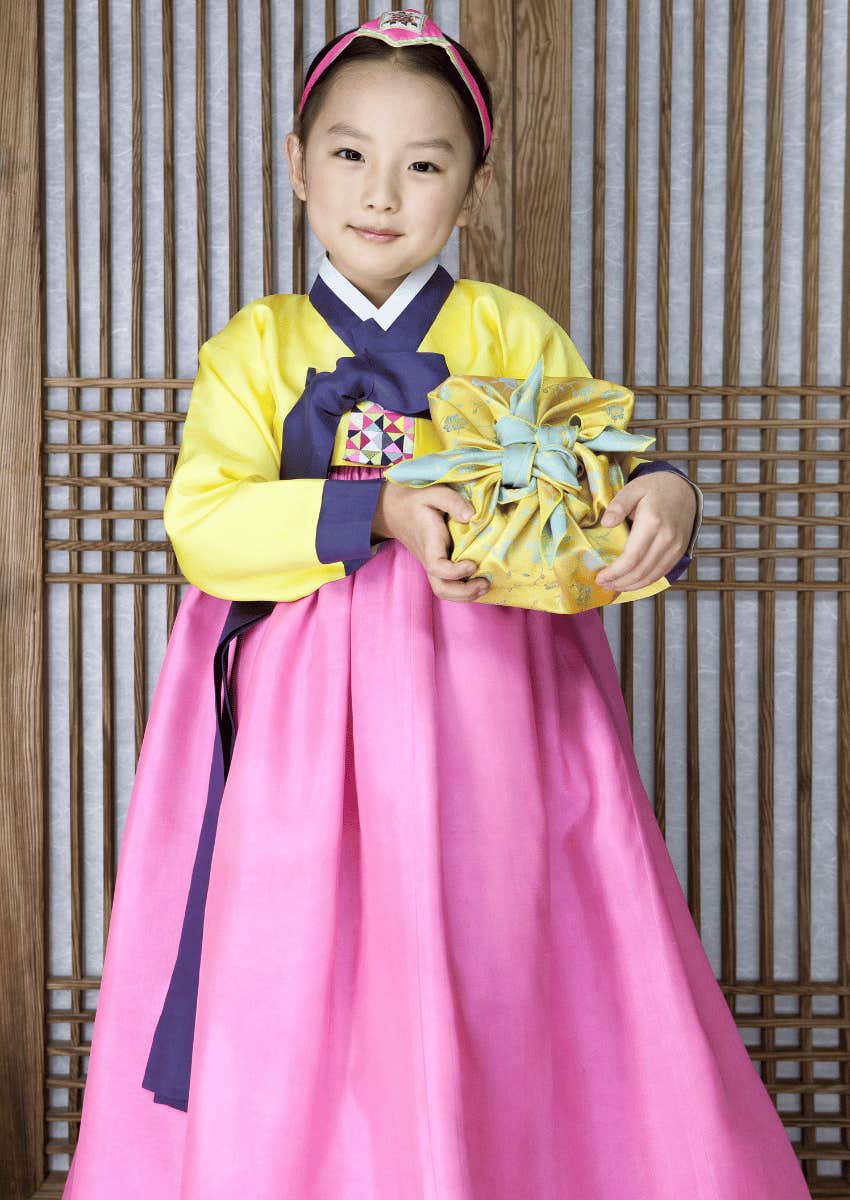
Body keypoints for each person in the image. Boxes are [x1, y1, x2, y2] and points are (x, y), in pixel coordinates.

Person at [63, 10, 812, 1199]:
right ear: (295, 161)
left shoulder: (508, 332)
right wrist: (377, 512)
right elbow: (201, 524)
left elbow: (602, 469)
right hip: (299, 735)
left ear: (471, 183)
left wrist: (663, 492)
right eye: (350, 154)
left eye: (425, 163)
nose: (381, 192)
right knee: (295, 964)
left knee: (495, 954)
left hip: (487, 715)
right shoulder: (252, 349)